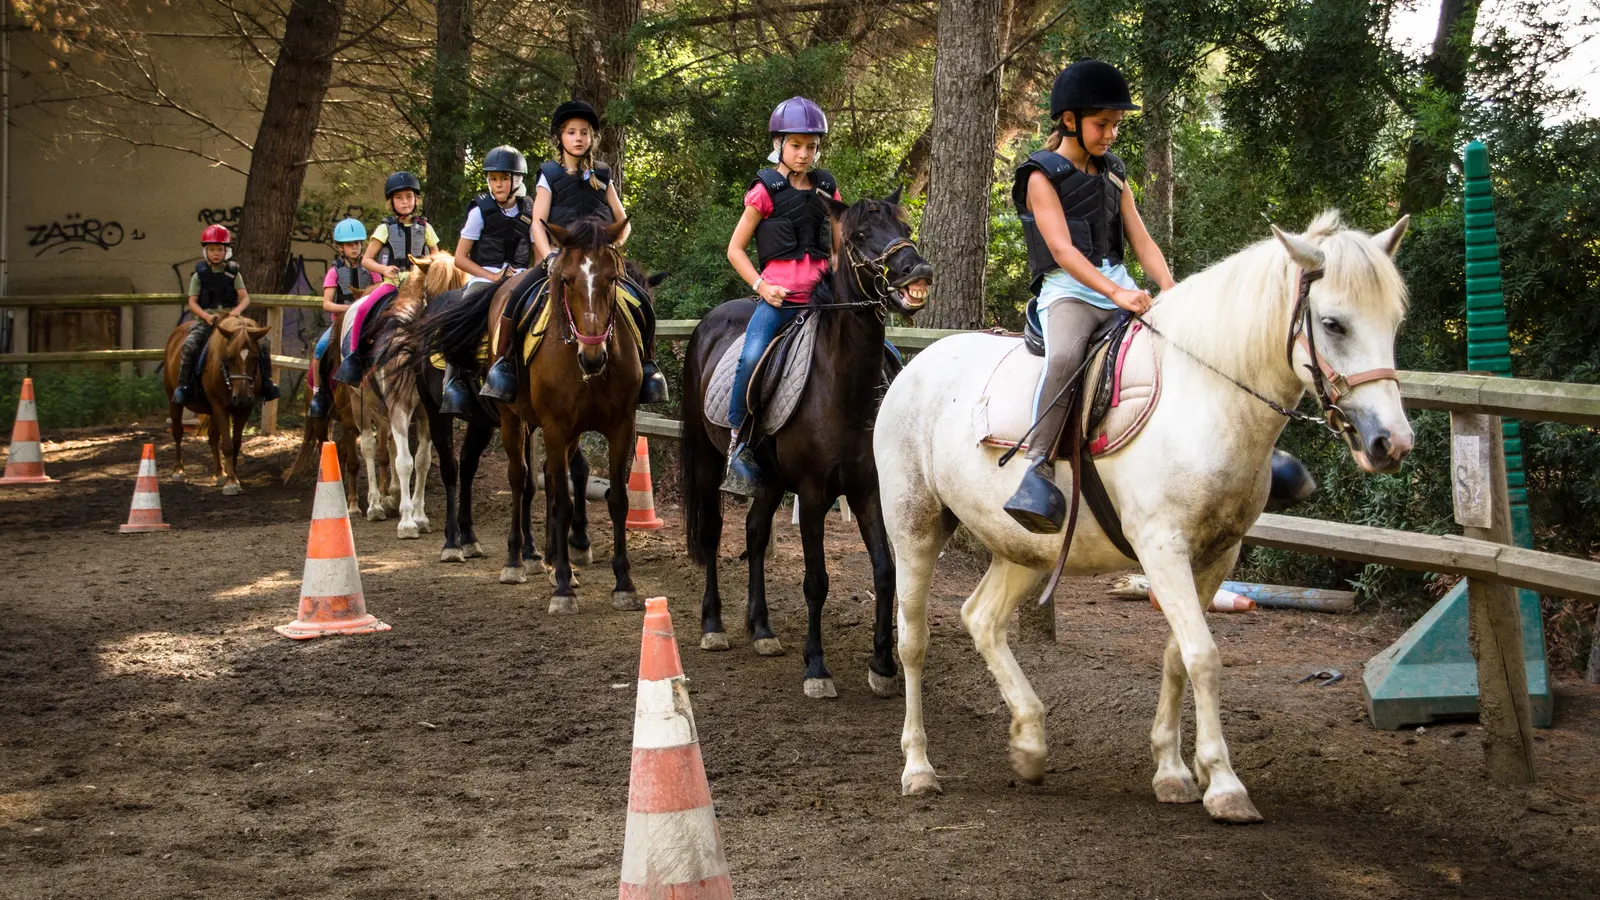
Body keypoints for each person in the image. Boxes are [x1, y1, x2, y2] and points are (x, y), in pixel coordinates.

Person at [1001, 58, 1177, 534]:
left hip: (1118, 285)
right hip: (1069, 294)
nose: (1111, 134)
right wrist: (1116, 292)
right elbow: (1061, 250)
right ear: (1069, 120)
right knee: (1066, 358)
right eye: (1103, 124)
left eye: (1116, 124)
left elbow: (1140, 237)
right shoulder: (1040, 176)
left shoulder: (1114, 172)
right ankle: (1036, 467)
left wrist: (1170, 289)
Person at [480, 99, 668, 405]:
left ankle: (647, 365)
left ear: (592, 138)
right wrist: (550, 255)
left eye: (584, 132)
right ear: (561, 138)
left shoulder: (603, 174)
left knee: (640, 300)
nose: (578, 137)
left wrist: (609, 248)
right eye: (571, 132)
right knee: (515, 297)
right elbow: (538, 225)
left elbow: (623, 223)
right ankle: (503, 364)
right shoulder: (549, 174)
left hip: (596, 262)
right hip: (560, 260)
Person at [719, 96, 841, 495]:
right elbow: (735, 249)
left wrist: (839, 278)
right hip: (782, 301)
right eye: (796, 145)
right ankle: (739, 445)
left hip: (823, 301)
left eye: (810, 146)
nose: (804, 154)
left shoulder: (827, 188)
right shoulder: (764, 191)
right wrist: (761, 287)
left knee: (882, 350)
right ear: (779, 144)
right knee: (751, 357)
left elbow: (838, 248)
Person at [440, 145, 533, 413]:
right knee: (461, 313)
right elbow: (460, 258)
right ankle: (453, 382)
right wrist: (492, 276)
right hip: (483, 277)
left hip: (520, 277)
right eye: (493, 179)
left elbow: (539, 256)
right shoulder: (479, 212)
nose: (497, 184)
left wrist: (528, 274)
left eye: (503, 178)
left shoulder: (531, 211)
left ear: (517, 181)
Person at [172, 224, 279, 406]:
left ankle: (267, 383)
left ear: (226, 251)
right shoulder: (199, 275)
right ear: (206, 251)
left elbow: (245, 298)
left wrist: (235, 313)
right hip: (207, 320)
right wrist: (205, 317)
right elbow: (192, 302)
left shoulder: (233, 273)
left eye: (220, 249)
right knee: (190, 345)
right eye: (212, 249)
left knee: (263, 343)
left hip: (231, 321)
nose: (216, 253)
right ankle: (184, 386)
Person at [308, 218, 376, 418]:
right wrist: (350, 308)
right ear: (340, 248)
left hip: (368, 322)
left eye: (357, 243)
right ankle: (318, 395)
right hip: (341, 323)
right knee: (320, 349)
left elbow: (379, 294)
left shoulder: (372, 270)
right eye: (349, 244)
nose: (354, 248)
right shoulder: (334, 272)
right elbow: (327, 303)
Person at [363, 171, 439, 286]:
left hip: (421, 284)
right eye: (399, 198)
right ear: (392, 202)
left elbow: (437, 258)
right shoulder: (385, 228)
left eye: (409, 196)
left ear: (416, 199)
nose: (405, 202)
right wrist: (383, 269)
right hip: (392, 284)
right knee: (367, 304)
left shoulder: (426, 228)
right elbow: (366, 260)